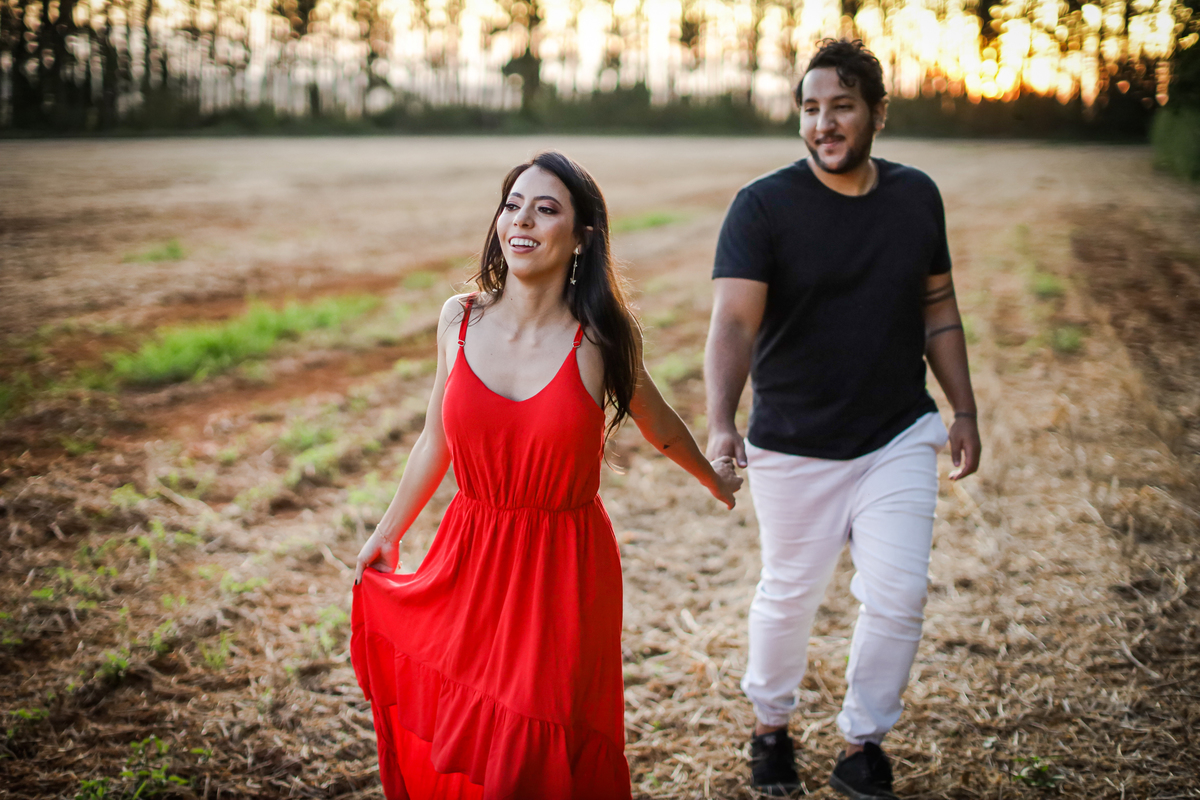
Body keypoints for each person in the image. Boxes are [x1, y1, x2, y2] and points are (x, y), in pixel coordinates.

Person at [350, 150, 743, 800]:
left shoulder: (599, 341)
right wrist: (387, 533)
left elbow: (661, 426)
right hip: (469, 555)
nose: (522, 220)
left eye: (546, 208)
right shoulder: (461, 318)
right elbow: (434, 440)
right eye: (512, 204)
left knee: (528, 751)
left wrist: (715, 479)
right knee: (473, 733)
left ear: (582, 236)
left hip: (563, 571)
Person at [704, 40, 982, 800]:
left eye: (842, 106)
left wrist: (964, 408)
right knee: (790, 591)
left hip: (898, 432)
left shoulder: (916, 197)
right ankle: (770, 729)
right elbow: (733, 324)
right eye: (811, 109)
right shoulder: (763, 205)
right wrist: (723, 422)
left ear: (877, 114)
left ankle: (863, 744)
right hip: (794, 440)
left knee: (898, 593)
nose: (824, 124)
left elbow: (937, 307)